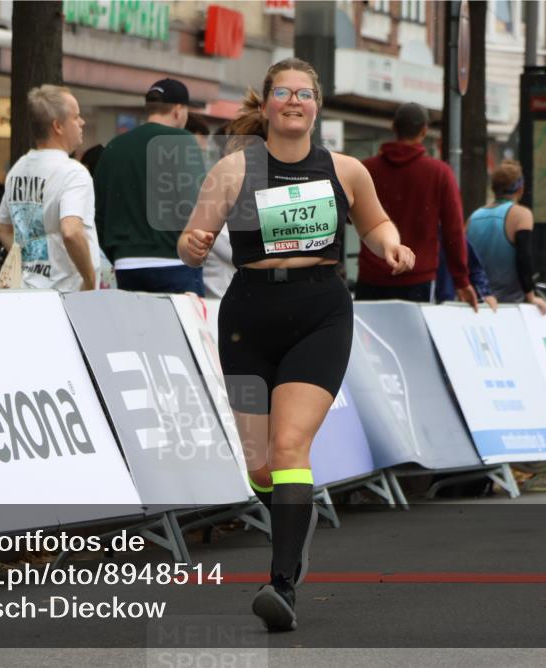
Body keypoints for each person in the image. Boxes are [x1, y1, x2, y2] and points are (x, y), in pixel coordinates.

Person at [178, 58, 415, 632]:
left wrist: (390, 244)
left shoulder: (346, 169)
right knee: (260, 465)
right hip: (248, 318)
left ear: (317, 105)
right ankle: (293, 514)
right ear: (266, 104)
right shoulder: (234, 170)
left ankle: (281, 583)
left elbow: (375, 224)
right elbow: (190, 240)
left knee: (289, 447)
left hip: (320, 313)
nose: (293, 101)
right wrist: (195, 243)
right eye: (283, 92)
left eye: (304, 93)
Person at [357, 103, 477, 310]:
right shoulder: (439, 173)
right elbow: (454, 232)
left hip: (371, 278)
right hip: (417, 279)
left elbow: (349, 217)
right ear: (424, 131)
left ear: (393, 127)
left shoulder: (366, 169)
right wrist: (461, 280)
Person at [94, 78, 207, 296]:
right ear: (178, 110)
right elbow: (196, 204)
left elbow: (99, 213)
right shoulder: (182, 140)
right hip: (175, 262)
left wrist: (118, 252)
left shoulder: (114, 146)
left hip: (126, 265)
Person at [0, 84, 98, 292]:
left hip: (26, 289)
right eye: (76, 117)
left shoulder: (18, 169)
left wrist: (28, 260)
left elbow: (2, 228)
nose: (82, 122)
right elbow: (71, 231)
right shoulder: (73, 173)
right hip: (66, 293)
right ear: (58, 126)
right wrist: (89, 280)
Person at [467, 160, 546, 314]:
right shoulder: (521, 215)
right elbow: (523, 258)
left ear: (493, 188)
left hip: (478, 304)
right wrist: (531, 296)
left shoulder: (473, 217)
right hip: (509, 306)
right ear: (521, 189)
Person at [436, 240, 497, 310]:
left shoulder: (452, 238)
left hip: (448, 303)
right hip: (430, 301)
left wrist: (485, 293)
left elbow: (474, 268)